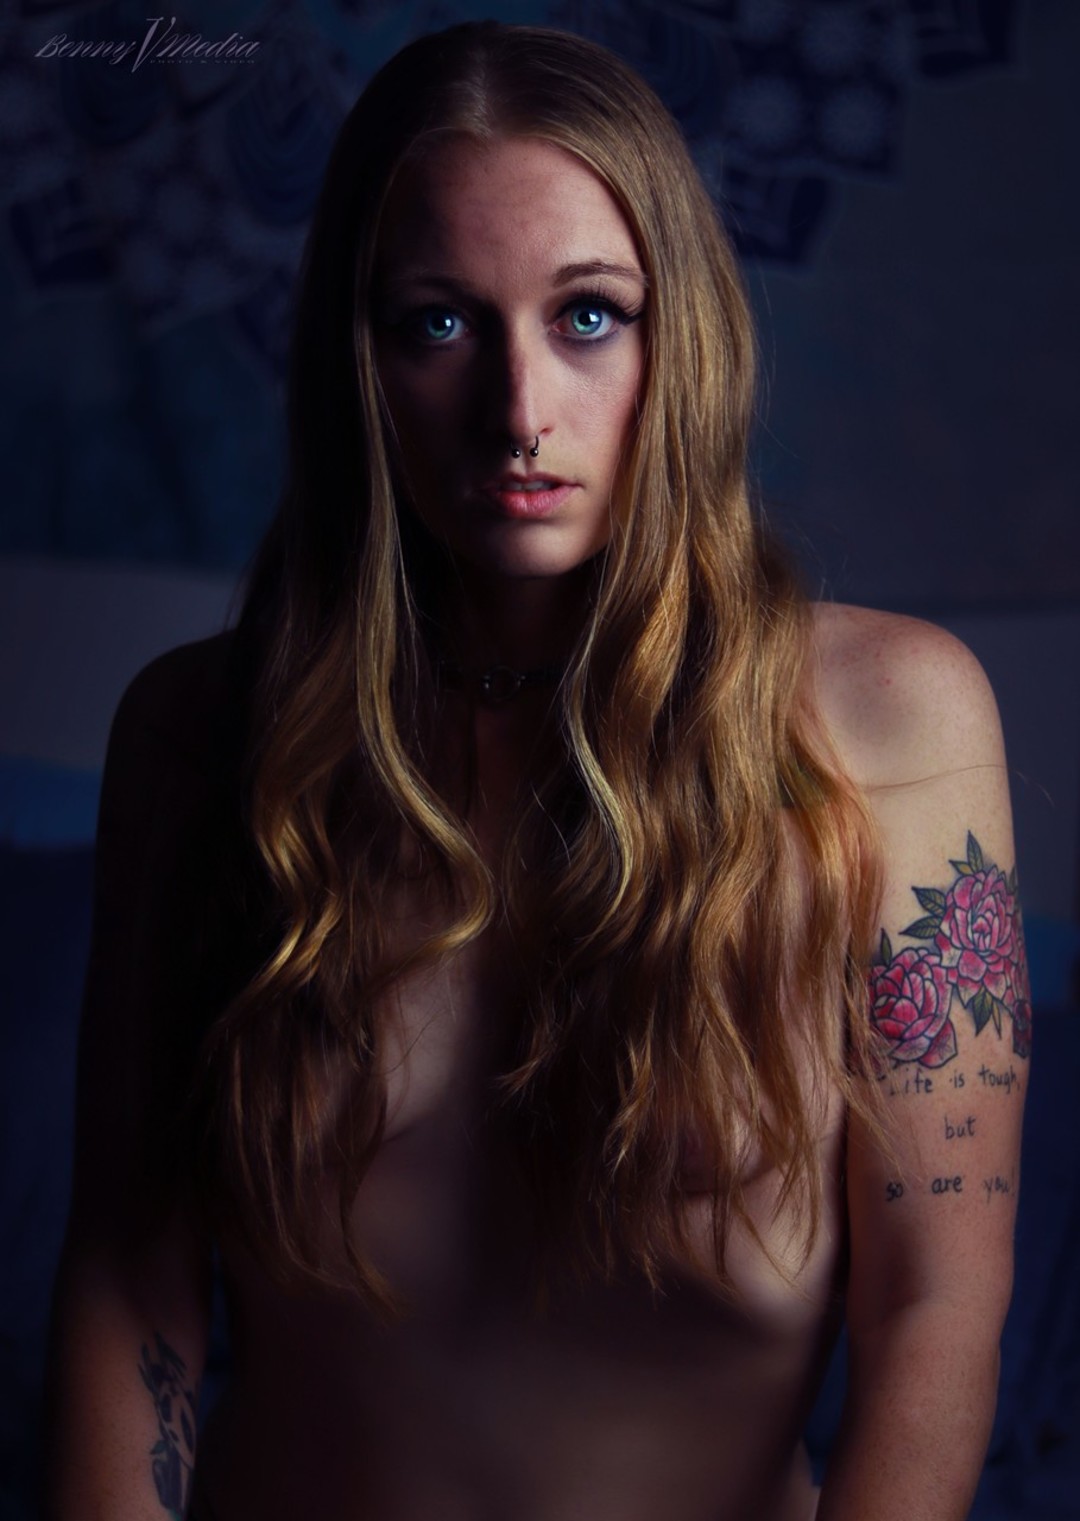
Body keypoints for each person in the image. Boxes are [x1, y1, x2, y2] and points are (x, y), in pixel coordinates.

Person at [43, 21, 1028, 1521]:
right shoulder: (200, 737)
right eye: (439, 321)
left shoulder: (893, 722)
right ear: (358, 358)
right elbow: (131, 1279)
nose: (519, 410)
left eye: (588, 316)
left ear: (680, 336)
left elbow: (935, 1306)